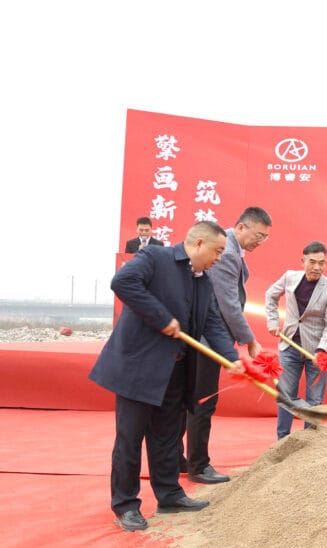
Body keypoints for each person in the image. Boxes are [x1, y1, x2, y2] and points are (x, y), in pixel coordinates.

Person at [89, 221, 241, 532]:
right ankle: (126, 505)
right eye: (217, 251)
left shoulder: (204, 282)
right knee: (130, 439)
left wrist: (233, 359)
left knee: (168, 438)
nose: (219, 258)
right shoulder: (155, 259)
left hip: (176, 371)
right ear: (198, 243)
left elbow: (212, 322)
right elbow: (122, 282)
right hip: (139, 369)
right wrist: (162, 318)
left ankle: (169, 494)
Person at [183, 206, 272, 483]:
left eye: (265, 238)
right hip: (207, 340)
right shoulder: (228, 253)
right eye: (258, 235)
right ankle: (198, 465)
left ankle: (177, 459)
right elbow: (227, 305)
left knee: (188, 399)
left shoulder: (233, 250)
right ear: (241, 227)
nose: (260, 241)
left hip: (206, 336)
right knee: (203, 401)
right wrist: (250, 341)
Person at [265, 241, 327, 439]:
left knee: (314, 399)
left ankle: (309, 442)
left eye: (322, 263)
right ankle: (282, 439)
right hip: (289, 346)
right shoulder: (290, 277)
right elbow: (270, 295)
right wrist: (273, 321)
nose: (317, 267)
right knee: (285, 395)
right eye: (312, 262)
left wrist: (321, 350)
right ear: (303, 261)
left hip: (316, 352)